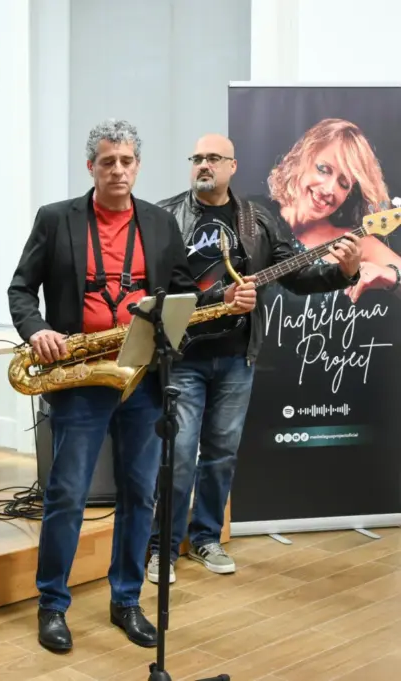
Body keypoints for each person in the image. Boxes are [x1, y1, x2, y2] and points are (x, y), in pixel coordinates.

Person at [7, 119, 257, 653]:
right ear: (90, 166)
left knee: (141, 494)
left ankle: (126, 600)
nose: (117, 170)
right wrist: (40, 331)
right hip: (81, 377)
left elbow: (186, 296)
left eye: (126, 161)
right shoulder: (56, 219)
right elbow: (21, 289)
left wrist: (224, 305)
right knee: (67, 495)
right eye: (107, 161)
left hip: (145, 377)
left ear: (137, 166)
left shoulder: (162, 224)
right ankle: (52, 604)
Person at [148, 133, 362, 583]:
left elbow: (298, 276)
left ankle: (205, 538)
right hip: (183, 356)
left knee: (221, 454)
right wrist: (215, 297)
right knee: (180, 456)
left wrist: (345, 272)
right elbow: (154, 289)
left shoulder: (258, 219)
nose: (203, 165)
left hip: (236, 358)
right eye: (197, 158)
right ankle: (161, 547)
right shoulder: (165, 216)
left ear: (233, 166)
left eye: (213, 158)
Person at [258, 118, 396, 303]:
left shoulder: (354, 242)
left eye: (343, 183)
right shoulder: (256, 218)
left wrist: (392, 276)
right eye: (324, 169)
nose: (329, 189)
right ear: (303, 158)